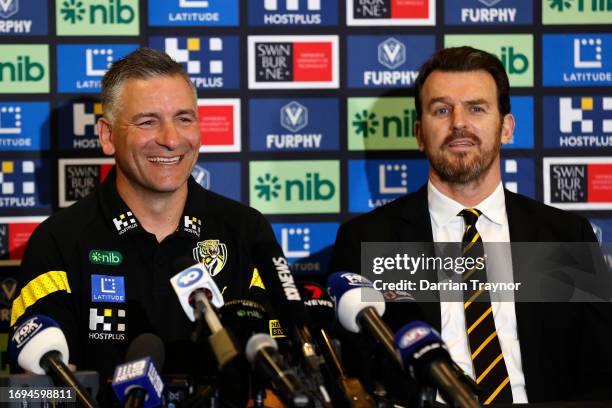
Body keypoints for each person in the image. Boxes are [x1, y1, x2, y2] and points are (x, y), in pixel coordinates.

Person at [330, 46, 612, 404]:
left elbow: (603, 373)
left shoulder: (564, 235)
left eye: (476, 108)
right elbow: (354, 376)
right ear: (419, 133)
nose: (459, 122)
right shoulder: (366, 239)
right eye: (442, 110)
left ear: (506, 127)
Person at [9, 48, 280, 404]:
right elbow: (33, 389)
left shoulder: (246, 230)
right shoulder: (59, 241)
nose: (170, 139)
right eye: (148, 121)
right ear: (107, 136)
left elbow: (280, 370)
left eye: (184, 119)